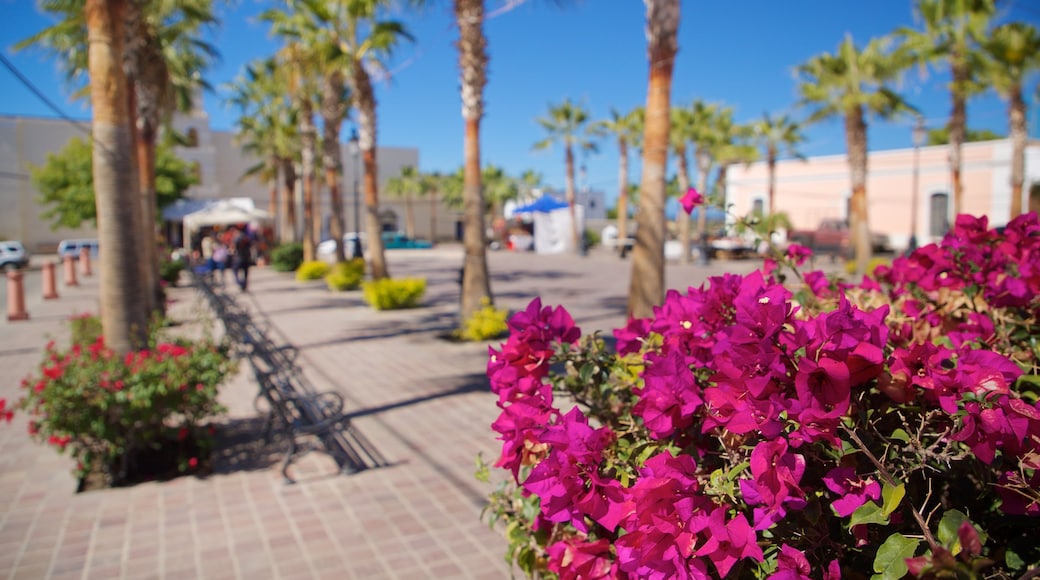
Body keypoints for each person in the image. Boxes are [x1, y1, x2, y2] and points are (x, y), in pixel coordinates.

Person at [230, 227, 254, 291]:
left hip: (239, 258)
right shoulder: (246, 238)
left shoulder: (236, 238)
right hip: (246, 258)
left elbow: (233, 248)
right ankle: (244, 284)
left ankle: (239, 282)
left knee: (235, 270)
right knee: (245, 272)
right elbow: (251, 246)